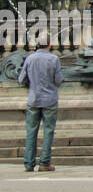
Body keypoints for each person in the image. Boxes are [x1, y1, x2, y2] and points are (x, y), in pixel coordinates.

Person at [18, 32, 63, 172]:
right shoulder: (54, 59)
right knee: (48, 131)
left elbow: (21, 80)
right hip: (50, 100)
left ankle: (28, 163)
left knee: (31, 131)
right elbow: (58, 80)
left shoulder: (30, 59)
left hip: (33, 100)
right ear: (50, 44)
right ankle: (44, 162)